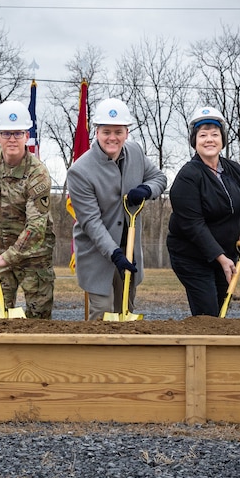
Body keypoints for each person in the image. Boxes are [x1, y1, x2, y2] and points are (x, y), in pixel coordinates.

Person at [66, 97, 167, 320]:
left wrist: (146, 190)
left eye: (118, 131)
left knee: (126, 310)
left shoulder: (136, 153)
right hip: (97, 253)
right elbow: (91, 223)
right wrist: (114, 254)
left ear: (126, 132)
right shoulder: (80, 171)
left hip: (130, 247)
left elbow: (159, 178)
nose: (112, 137)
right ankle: (95, 354)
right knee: (102, 310)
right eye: (106, 131)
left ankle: (125, 354)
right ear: (97, 132)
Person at [0, 100, 56, 319]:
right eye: (6, 134)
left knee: (39, 320)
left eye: (18, 134)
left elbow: (36, 228)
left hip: (33, 254)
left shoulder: (37, 173)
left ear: (27, 136)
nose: (12, 140)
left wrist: (6, 258)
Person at [166, 107, 240, 317]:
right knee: (207, 313)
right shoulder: (188, 176)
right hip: (192, 256)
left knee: (221, 310)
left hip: (225, 254)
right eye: (203, 135)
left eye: (215, 134)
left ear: (222, 139)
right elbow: (193, 225)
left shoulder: (234, 170)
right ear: (194, 140)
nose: (209, 140)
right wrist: (221, 258)